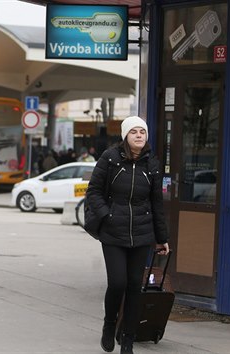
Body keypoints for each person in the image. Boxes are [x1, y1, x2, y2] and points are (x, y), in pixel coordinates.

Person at [85, 116, 170, 354]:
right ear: (125, 136)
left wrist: (162, 238)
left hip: (142, 234)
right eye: (134, 132)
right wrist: (107, 214)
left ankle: (129, 339)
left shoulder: (152, 164)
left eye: (142, 131)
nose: (139, 136)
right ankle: (109, 325)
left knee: (135, 286)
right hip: (113, 233)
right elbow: (93, 191)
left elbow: (157, 203)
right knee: (117, 283)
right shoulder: (110, 158)